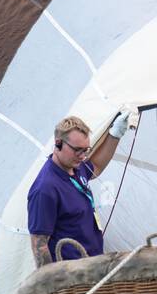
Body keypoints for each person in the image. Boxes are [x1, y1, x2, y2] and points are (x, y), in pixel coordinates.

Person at [27, 114, 130, 266]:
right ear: (58, 143)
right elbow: (39, 244)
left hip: (93, 265)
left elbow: (96, 166)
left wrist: (115, 135)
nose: (82, 156)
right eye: (77, 150)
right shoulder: (45, 189)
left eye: (86, 150)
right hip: (72, 276)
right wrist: (52, 284)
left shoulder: (75, 167)